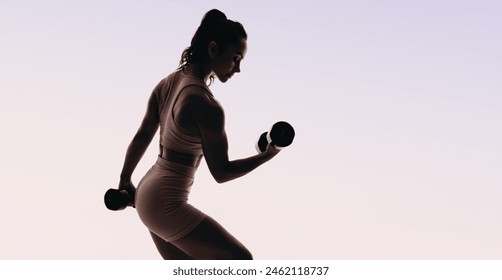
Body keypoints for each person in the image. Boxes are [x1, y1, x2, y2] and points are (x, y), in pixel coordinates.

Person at [117, 9, 281, 260]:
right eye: (235, 58)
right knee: (241, 262)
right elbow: (222, 173)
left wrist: (125, 180)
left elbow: (142, 136)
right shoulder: (206, 105)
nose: (237, 69)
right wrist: (268, 155)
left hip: (146, 193)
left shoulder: (169, 82)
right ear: (213, 49)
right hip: (165, 205)